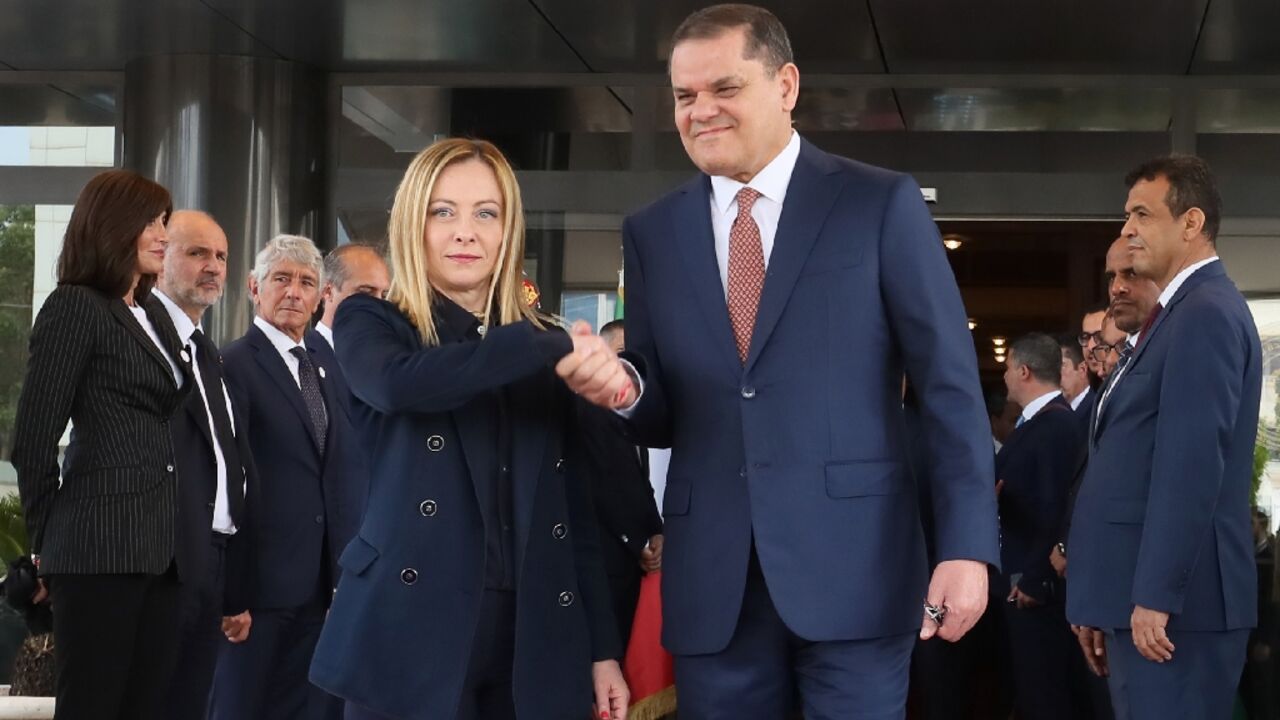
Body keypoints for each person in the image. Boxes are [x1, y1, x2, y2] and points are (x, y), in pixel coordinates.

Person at [611, 5, 999, 716]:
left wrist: (967, 547)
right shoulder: (652, 232)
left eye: (724, 89)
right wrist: (624, 388)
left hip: (859, 572)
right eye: (684, 96)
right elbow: (661, 406)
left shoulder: (879, 204)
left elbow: (948, 386)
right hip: (714, 585)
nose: (701, 111)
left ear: (786, 85)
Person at [309, 137, 630, 720]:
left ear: (508, 230)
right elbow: (398, 385)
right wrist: (542, 344)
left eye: (486, 213)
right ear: (414, 224)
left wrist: (603, 649)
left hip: (532, 636)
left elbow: (575, 514)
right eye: (443, 212)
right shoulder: (373, 320)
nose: (465, 232)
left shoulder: (538, 349)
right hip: (409, 631)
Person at [1067, 155, 1262, 720]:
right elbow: (1124, 463)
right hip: (1139, 604)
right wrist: (1099, 596)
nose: (1127, 229)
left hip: (1175, 612)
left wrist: (1155, 595)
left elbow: (1190, 467)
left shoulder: (1204, 313)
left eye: (1142, 214)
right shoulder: (1174, 316)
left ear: (1191, 223)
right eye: (1127, 215)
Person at [10, 169, 190, 719]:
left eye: (164, 221)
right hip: (96, 550)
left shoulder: (152, 310)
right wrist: (47, 545)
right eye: (152, 222)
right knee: (93, 705)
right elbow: (34, 439)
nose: (164, 234)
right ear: (115, 227)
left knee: (147, 705)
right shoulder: (75, 306)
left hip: (158, 549)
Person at [211, 234, 365, 720]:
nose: (294, 292)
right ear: (255, 288)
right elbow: (224, 481)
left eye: (305, 282)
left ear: (321, 296)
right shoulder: (232, 365)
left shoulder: (327, 365)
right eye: (282, 279)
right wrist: (231, 588)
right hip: (257, 592)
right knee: (241, 708)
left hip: (323, 587)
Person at [153, 210, 259, 719]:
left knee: (192, 705)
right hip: (162, 563)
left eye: (220, 255)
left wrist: (232, 583)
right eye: (197, 252)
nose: (213, 266)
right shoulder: (139, 336)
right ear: (160, 258)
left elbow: (230, 466)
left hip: (212, 563)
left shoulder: (209, 354)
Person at [996, 333, 1084, 720]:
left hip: (1034, 586)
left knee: (1043, 693)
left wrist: (1033, 579)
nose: (1004, 378)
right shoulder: (1039, 423)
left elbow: (1054, 507)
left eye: (1007, 368)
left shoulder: (1054, 427)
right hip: (1023, 575)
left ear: (1024, 371)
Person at [578, 319, 665, 647]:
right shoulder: (588, 409)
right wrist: (637, 543)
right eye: (619, 355)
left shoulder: (635, 409)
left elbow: (640, 484)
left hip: (636, 566)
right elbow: (601, 484)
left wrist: (657, 531)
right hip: (605, 565)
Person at [315, 244, 392, 350]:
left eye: (384, 296)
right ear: (327, 291)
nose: (379, 306)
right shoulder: (302, 356)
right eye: (366, 293)